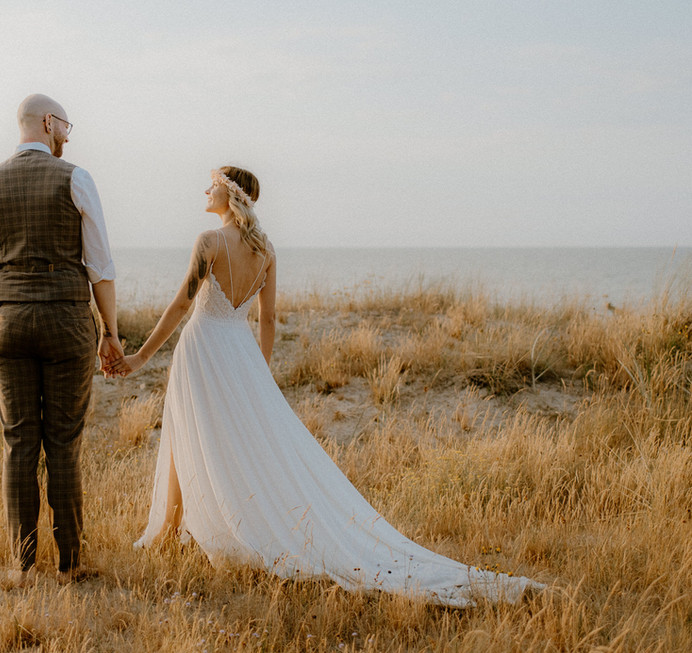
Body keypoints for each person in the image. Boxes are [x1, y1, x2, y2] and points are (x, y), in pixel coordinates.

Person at [107, 166, 544, 607]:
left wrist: (140, 356)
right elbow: (270, 319)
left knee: (189, 434)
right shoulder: (266, 250)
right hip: (240, 353)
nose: (206, 189)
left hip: (203, 347)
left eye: (214, 183)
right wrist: (258, 372)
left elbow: (184, 301)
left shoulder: (209, 242)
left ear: (232, 193)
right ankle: (171, 529)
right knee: (222, 439)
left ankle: (171, 530)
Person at [0, 94, 123, 587]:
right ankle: (71, 563)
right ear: (48, 123)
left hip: (7, 324)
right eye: (66, 126)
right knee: (64, 443)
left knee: (19, 443)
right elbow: (100, 264)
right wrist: (111, 334)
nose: (68, 137)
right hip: (67, 321)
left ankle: (22, 564)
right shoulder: (76, 177)